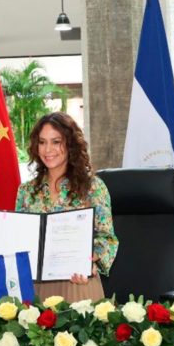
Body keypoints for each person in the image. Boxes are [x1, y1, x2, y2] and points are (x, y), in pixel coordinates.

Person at [16, 112, 118, 302]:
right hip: (36, 288)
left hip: (78, 283)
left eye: (56, 142)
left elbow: (107, 239)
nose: (48, 149)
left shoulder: (93, 187)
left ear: (70, 145)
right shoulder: (26, 191)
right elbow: (20, 240)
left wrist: (90, 261)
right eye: (42, 142)